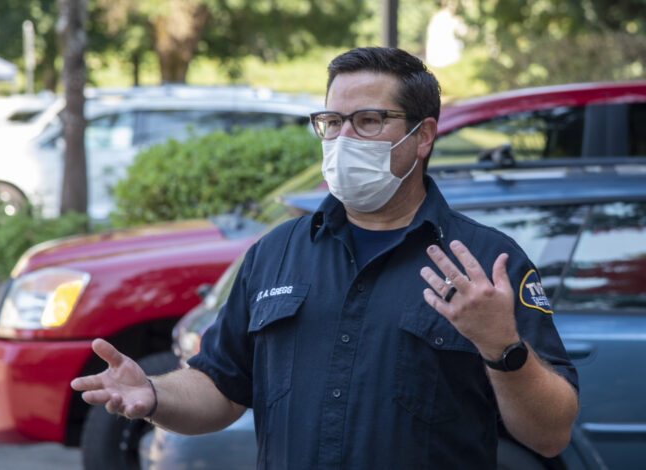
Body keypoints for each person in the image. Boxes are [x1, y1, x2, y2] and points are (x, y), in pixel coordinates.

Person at [71, 47, 579, 468]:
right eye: (332, 122)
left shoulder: (486, 263)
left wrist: (502, 346)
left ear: (423, 136)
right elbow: (220, 388)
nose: (342, 139)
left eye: (368, 121)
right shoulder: (276, 253)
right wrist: (155, 395)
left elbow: (550, 434)